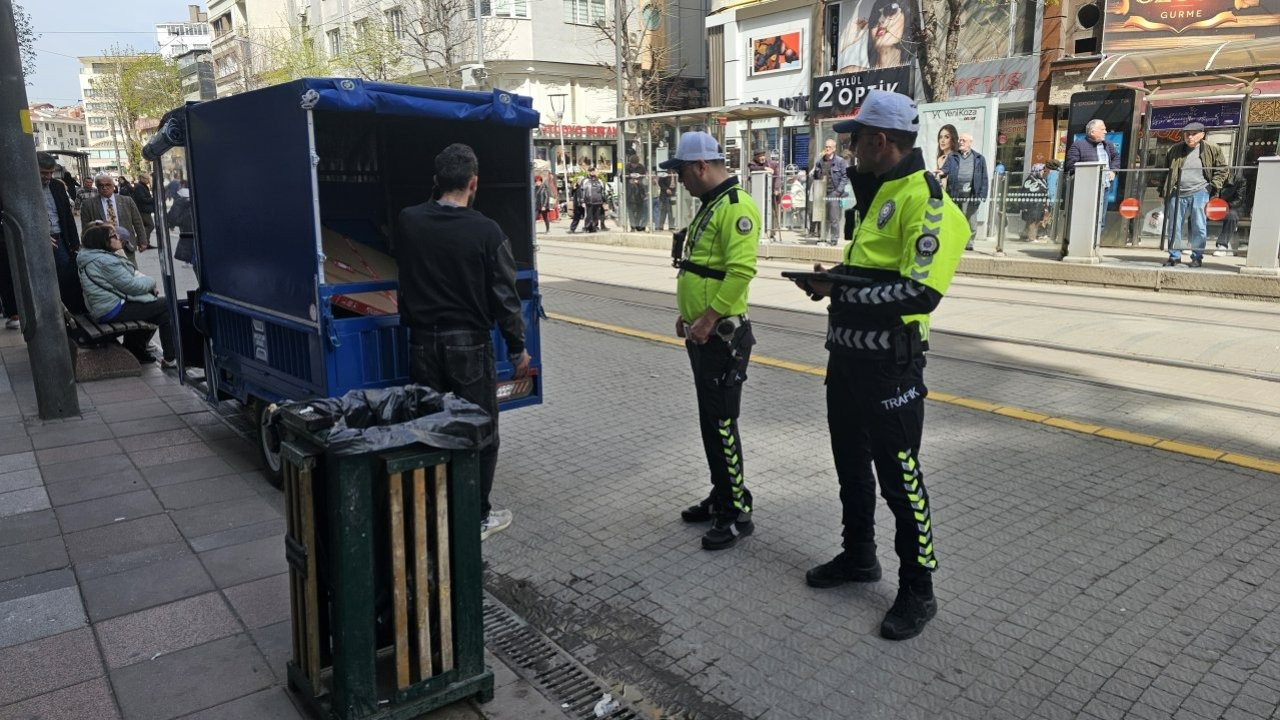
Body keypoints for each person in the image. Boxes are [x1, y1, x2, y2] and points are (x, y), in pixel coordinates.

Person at [789, 89, 967, 641]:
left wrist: (842, 293)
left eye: (856, 140)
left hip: (891, 371)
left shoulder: (929, 203)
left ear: (880, 141)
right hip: (846, 363)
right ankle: (859, 556)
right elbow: (870, 271)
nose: (849, 150)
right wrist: (832, 281)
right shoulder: (878, 195)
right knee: (850, 465)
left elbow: (918, 293)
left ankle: (919, 589)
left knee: (900, 480)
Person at [394, 143, 531, 541]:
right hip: (468, 345)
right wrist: (517, 347)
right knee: (481, 430)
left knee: (430, 425)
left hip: (421, 343)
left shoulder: (409, 220)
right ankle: (477, 516)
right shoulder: (487, 230)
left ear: (435, 181)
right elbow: (505, 296)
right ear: (474, 182)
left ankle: (432, 511)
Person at [660, 131, 760, 551]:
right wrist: (690, 316)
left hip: (721, 336)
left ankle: (736, 512)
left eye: (681, 171)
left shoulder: (737, 208)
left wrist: (706, 318)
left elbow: (740, 273)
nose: (678, 180)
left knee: (721, 424)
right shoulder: (711, 205)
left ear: (701, 166)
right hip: (703, 333)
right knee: (710, 422)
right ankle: (722, 493)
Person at [76, 222, 176, 367]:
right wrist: (152, 282)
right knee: (166, 304)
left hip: (105, 306)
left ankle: (147, 352)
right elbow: (132, 286)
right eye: (113, 236)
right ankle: (154, 353)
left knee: (160, 311)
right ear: (102, 242)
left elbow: (126, 280)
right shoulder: (104, 261)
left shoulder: (93, 256)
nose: (118, 237)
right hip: (112, 309)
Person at [1160, 122, 1227, 268]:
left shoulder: (1212, 149)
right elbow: (1166, 171)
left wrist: (1212, 186)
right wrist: (1163, 190)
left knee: (1199, 226)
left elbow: (1222, 169)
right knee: (1173, 226)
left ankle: (1197, 257)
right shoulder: (1174, 149)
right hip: (1177, 192)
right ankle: (1174, 256)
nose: (1190, 137)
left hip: (1200, 192)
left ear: (1202, 134)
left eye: (1194, 134)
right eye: (1187, 134)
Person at [36, 152, 87, 315]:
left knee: (67, 276)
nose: (48, 177)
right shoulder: (24, 189)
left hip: (60, 239)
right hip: (38, 242)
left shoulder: (57, 187)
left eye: (51, 172)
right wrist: (38, 236)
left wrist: (74, 242)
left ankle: (70, 312)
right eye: (44, 172)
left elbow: (67, 216)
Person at [1063, 119, 1120, 252]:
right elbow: (1070, 166)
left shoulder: (1108, 145)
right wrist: (1088, 172)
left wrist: (1113, 170)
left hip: (1104, 188)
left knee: (1100, 219)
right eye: (1103, 129)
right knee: (1085, 219)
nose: (1106, 131)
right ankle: (1081, 246)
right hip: (1086, 190)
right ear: (1092, 131)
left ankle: (1094, 246)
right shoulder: (1078, 145)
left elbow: (1116, 157)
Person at [939, 132, 989, 250]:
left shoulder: (979, 158)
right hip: (955, 193)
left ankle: (969, 243)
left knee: (970, 219)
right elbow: (945, 169)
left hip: (972, 194)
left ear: (970, 143)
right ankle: (956, 242)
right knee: (955, 219)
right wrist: (941, 172)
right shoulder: (952, 156)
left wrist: (983, 194)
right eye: (960, 140)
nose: (960, 142)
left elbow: (984, 177)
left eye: (963, 140)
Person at [81, 175, 145, 266]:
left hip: (126, 245)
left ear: (113, 185)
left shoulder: (127, 201)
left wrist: (142, 240)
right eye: (101, 185)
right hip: (103, 248)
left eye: (108, 185)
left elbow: (137, 221)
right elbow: (86, 228)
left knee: (131, 271)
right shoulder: (88, 204)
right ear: (97, 187)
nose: (104, 187)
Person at [813, 139, 849, 244]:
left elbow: (845, 177)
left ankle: (834, 238)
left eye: (829, 147)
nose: (827, 148)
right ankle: (822, 236)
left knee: (834, 217)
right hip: (822, 192)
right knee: (822, 216)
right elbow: (815, 176)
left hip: (834, 191)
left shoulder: (840, 161)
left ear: (834, 149)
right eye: (826, 146)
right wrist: (816, 166)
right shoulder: (820, 161)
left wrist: (838, 191)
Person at [867, 0, 914, 69]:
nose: (880, 21)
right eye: (874, 19)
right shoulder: (854, 75)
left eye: (890, 12)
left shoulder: (915, 75)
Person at [1214, 169, 1248, 256]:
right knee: (1197, 212)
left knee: (1231, 215)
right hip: (1215, 207)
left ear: (1227, 172)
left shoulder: (1239, 180)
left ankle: (1222, 245)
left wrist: (1224, 206)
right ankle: (1192, 242)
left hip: (1231, 207)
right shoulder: (1214, 180)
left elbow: (1239, 200)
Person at [133, 174, 156, 250]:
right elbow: (142, 199)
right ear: (141, 178)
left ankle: (146, 243)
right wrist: (154, 199)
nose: (148, 180)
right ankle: (137, 240)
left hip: (145, 210)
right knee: (150, 226)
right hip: (142, 210)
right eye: (146, 179)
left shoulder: (142, 186)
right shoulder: (139, 187)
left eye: (148, 179)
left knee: (145, 226)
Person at [626, 155, 648, 231]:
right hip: (629, 193)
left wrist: (637, 181)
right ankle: (633, 226)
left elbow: (643, 178)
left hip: (639, 193)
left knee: (639, 210)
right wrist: (629, 180)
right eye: (632, 164)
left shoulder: (641, 167)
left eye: (635, 164)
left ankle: (637, 224)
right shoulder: (627, 167)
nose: (634, 165)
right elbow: (622, 178)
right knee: (631, 211)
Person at [580, 167, 607, 233]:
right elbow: (582, 191)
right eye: (593, 171)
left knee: (596, 216)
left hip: (598, 201)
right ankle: (587, 227)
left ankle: (594, 227)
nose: (595, 173)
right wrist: (582, 201)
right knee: (589, 216)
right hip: (589, 201)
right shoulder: (585, 180)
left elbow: (602, 191)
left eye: (595, 171)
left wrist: (604, 201)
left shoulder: (599, 181)